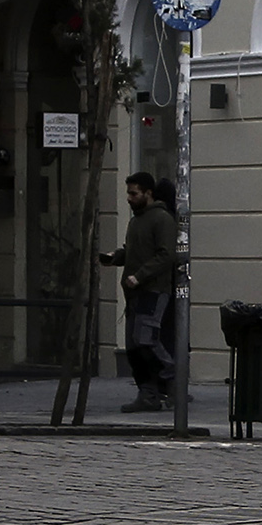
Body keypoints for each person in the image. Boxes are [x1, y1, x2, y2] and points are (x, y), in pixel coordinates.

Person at [97, 171, 181, 411]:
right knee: (135, 347)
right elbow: (134, 251)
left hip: (153, 290)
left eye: (134, 193)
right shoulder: (136, 221)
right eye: (129, 193)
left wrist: (140, 276)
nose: (129, 198)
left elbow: (166, 255)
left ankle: (173, 378)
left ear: (148, 193)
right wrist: (115, 257)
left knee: (146, 340)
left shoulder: (162, 219)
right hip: (134, 292)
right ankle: (148, 393)